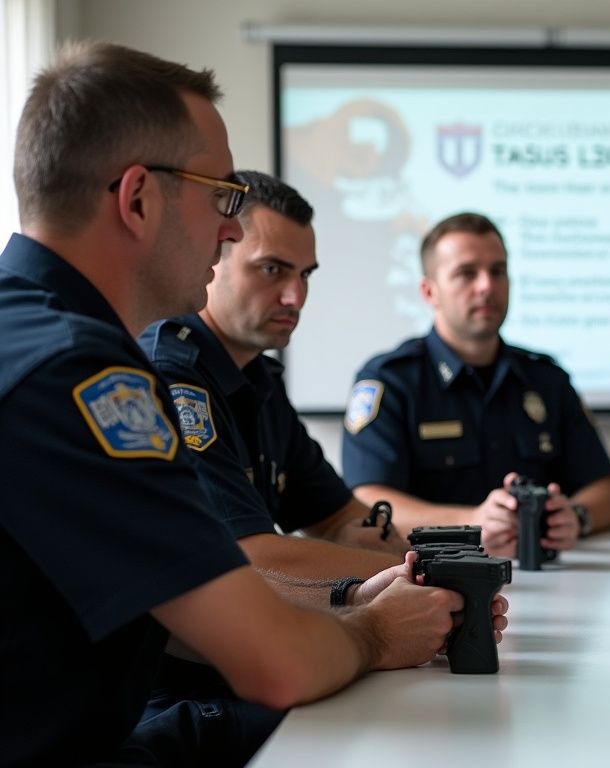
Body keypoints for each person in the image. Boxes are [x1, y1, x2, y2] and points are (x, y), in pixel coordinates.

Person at [0, 42, 504, 767]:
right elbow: (276, 664)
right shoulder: (79, 374)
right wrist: (378, 631)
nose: (231, 227)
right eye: (222, 196)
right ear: (137, 198)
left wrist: (354, 601)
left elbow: (165, 603)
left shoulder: (34, 333)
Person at [137, 170, 417, 764]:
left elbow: (340, 516)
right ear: (218, 254)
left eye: (304, 275)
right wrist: (418, 569)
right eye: (272, 269)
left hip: (242, 669)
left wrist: (427, 554)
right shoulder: (174, 373)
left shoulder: (257, 376)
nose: (295, 297)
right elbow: (251, 556)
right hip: (172, 694)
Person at [341, 212, 610, 556]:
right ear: (430, 292)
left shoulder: (546, 378)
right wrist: (470, 522)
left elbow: (606, 491)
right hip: (433, 579)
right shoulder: (391, 380)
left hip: (549, 577)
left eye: (498, 271)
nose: (487, 285)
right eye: (466, 273)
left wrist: (577, 517)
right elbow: (367, 501)